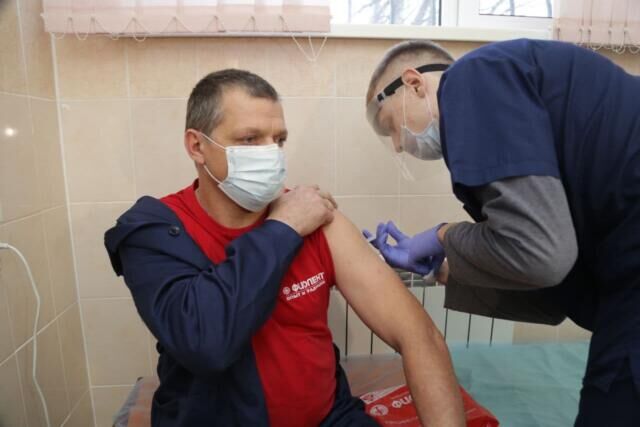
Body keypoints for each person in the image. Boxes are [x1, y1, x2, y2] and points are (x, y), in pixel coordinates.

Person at [104, 69, 465, 426]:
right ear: (197, 146)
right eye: (249, 139)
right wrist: (285, 227)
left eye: (278, 140)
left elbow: (418, 336)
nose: (270, 153)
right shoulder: (155, 230)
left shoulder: (319, 220)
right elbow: (205, 342)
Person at [363, 38, 640, 426]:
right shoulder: (509, 95)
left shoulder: (473, 78)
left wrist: (443, 236)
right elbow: (552, 289)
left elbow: (542, 257)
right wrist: (445, 269)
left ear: (413, 83)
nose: (397, 144)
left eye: (391, 126)